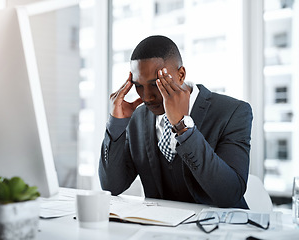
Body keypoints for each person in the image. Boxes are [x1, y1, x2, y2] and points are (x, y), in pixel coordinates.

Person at [98, 35, 253, 208]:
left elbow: (230, 193)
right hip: (161, 231)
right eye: (139, 86)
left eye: (156, 84)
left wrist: (182, 126)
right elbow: (112, 186)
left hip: (221, 231)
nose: (147, 97)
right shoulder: (137, 117)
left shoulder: (232, 112)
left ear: (181, 74)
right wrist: (116, 124)